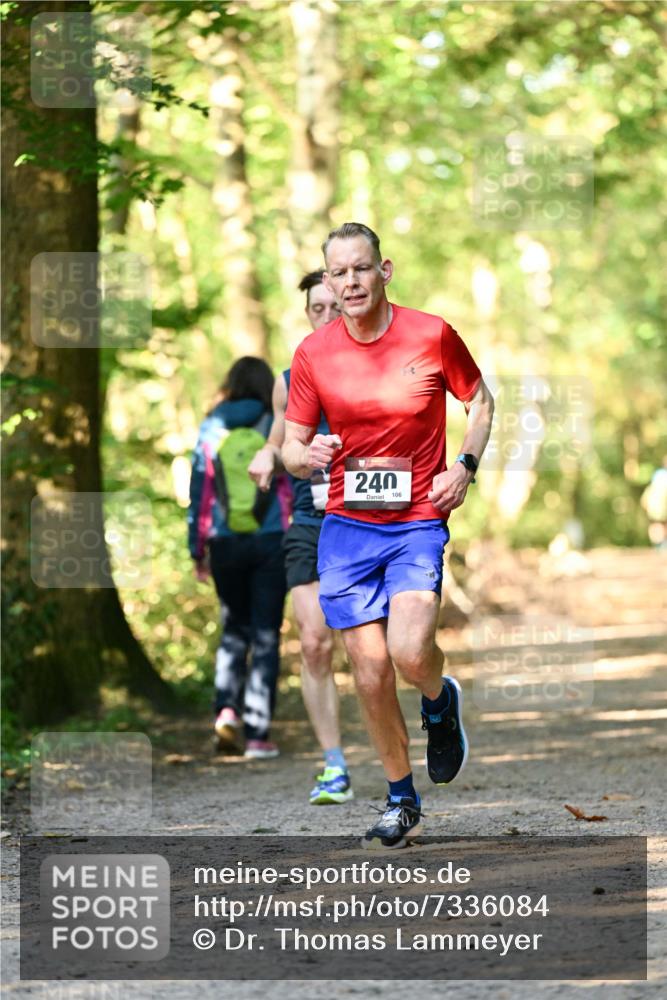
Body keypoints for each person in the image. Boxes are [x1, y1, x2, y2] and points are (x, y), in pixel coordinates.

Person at [282, 222, 495, 848]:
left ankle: (437, 696)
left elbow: (480, 402)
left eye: (360, 269)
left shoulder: (431, 334)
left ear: (385, 270)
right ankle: (402, 797)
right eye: (338, 273)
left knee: (407, 651)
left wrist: (465, 466)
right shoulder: (313, 354)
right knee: (369, 672)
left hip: (416, 521)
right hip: (346, 526)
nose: (350, 282)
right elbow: (292, 447)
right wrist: (308, 453)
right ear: (327, 281)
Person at [248, 272, 354, 805]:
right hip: (311, 523)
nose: (327, 315)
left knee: (376, 648)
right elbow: (277, 432)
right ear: (308, 314)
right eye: (317, 308)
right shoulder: (291, 378)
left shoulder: (372, 371)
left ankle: (418, 722)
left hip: (371, 522)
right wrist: (267, 454)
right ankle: (333, 764)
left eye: (335, 306)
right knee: (314, 642)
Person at [188, 357, 290, 759]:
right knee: (265, 633)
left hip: (225, 541)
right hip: (271, 540)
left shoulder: (211, 426)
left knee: (234, 629)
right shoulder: (274, 423)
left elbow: (200, 492)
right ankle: (259, 734)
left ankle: (226, 711)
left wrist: (196, 550)